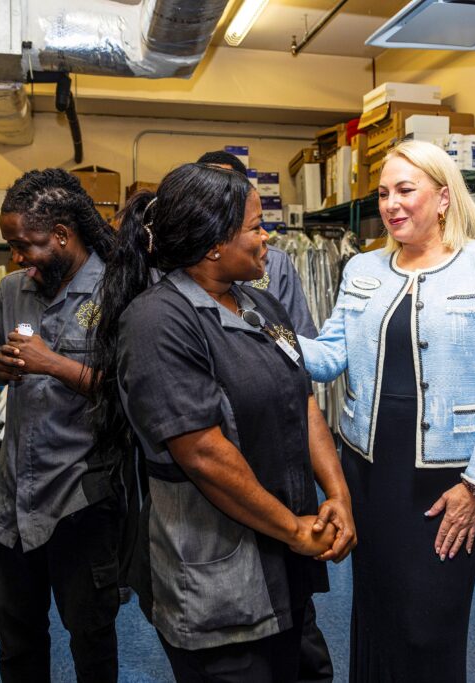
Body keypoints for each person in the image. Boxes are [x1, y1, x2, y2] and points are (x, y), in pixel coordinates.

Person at [91, 162, 356, 682]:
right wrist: (294, 529)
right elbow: (203, 453)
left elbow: (302, 400)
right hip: (220, 580)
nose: (267, 238)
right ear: (213, 243)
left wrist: (338, 495)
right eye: (256, 227)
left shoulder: (261, 304)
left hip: (287, 560)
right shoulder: (157, 321)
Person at [299, 139, 475, 682]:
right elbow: (330, 354)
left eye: (406, 189)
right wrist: (263, 333)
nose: (391, 204)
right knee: (378, 609)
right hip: (370, 473)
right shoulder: (363, 267)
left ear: (444, 196)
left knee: (428, 624)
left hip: (450, 481)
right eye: (384, 193)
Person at [0, 168, 121, 682]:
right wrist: (1, 366)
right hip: (12, 500)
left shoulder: (117, 290)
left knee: (91, 639)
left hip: (78, 503)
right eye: (11, 244)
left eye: (26, 244)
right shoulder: (13, 288)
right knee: (16, 640)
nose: (17, 257)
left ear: (62, 234)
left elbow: (135, 394)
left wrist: (51, 362)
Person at [197, 149, 329, 681]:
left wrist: (333, 491)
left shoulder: (275, 274)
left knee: (298, 626)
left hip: (284, 462)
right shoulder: (170, 305)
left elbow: (301, 357)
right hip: (224, 482)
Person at [197, 150, 319, 338]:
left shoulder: (275, 262)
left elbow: (302, 336)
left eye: (230, 189)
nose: (221, 200)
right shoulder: (184, 265)